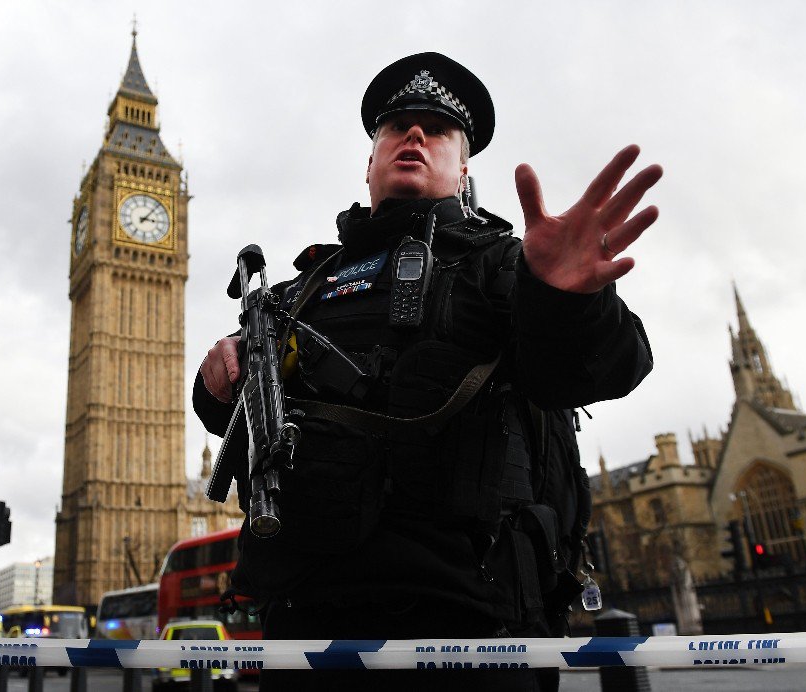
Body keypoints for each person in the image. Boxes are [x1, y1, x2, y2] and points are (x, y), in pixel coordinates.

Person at [194, 52, 660, 691]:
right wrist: (214, 385)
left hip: (474, 628)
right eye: (397, 127)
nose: (414, 136)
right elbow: (250, 421)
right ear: (370, 162)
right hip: (309, 627)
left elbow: (603, 368)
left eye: (436, 130)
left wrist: (567, 299)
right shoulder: (304, 289)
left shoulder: (506, 266)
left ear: (463, 168)